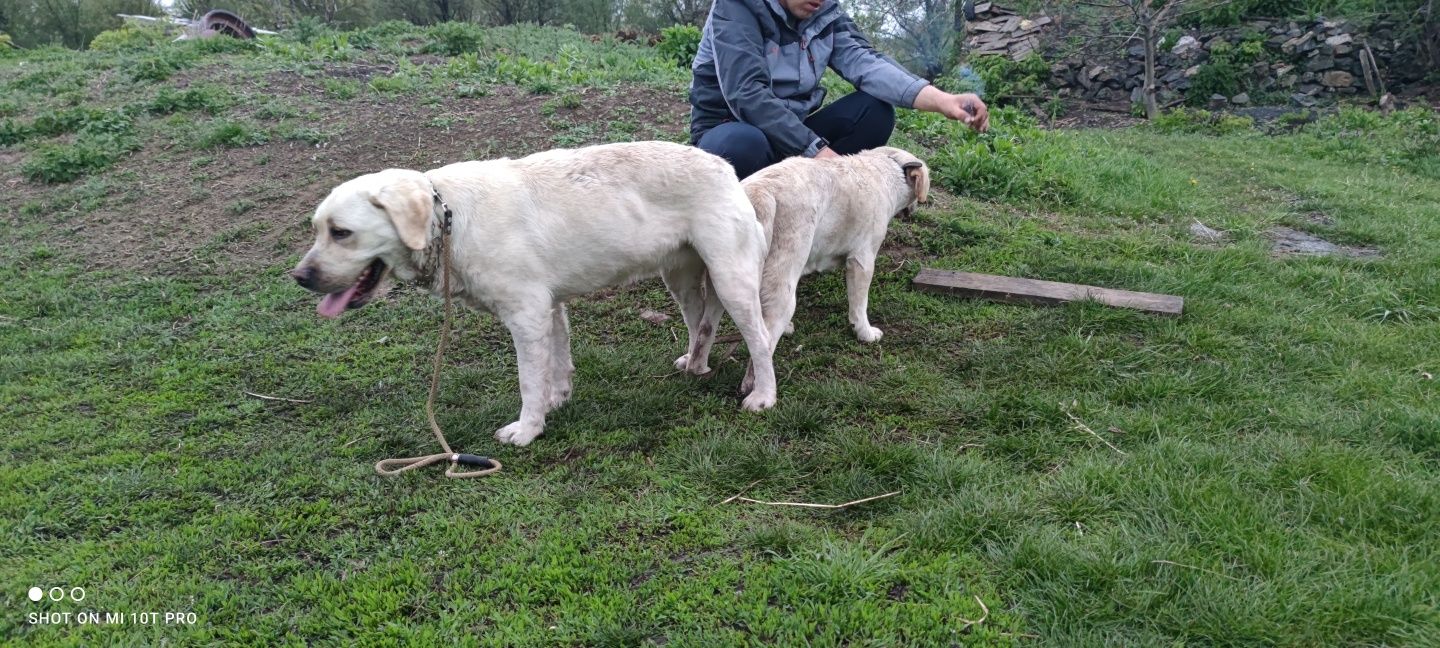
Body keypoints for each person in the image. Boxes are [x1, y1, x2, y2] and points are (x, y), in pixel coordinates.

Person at [689, 0, 991, 179]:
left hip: (789, 137)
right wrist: (817, 151)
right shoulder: (735, 8)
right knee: (743, 144)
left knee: (873, 112)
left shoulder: (825, 14)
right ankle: (742, 231)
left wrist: (943, 100)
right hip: (730, 129)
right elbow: (746, 93)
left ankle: (815, 209)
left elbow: (867, 63)